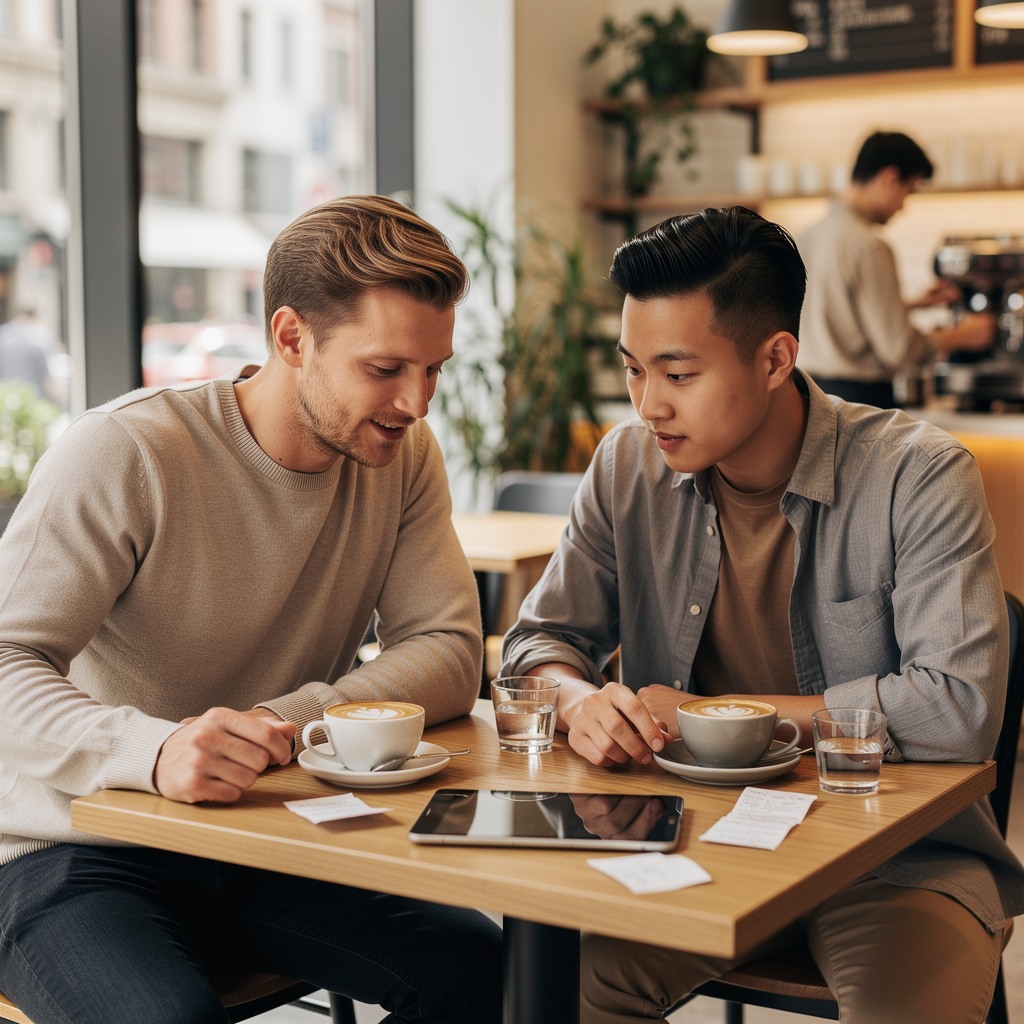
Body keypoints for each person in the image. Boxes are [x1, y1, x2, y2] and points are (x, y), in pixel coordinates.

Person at [501, 206, 1024, 1024]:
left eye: (678, 375)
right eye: (634, 370)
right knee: (545, 998)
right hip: (696, 839)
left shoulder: (917, 475)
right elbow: (540, 641)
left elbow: (957, 712)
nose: (648, 406)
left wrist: (716, 716)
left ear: (777, 358)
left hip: (895, 858)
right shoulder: (626, 465)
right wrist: (579, 701)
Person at [0, 195, 502, 1024]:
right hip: (75, 846)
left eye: (434, 369)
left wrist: (290, 719)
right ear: (292, 338)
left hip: (270, 832)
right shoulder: (128, 450)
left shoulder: (401, 454)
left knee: (493, 980)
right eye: (385, 370)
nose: (418, 404)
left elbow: (448, 648)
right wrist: (154, 750)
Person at [797, 130, 995, 407]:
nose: (903, 206)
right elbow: (899, 351)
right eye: (908, 191)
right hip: (858, 403)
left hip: (803, 396)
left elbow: (837, 314)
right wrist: (963, 335)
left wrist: (910, 304)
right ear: (890, 178)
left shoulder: (803, 238)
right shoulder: (870, 247)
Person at [0, 307, 58, 403]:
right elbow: (46, 376)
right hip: (33, 397)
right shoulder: (39, 338)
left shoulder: (3, 335)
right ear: (32, 318)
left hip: (5, 395)